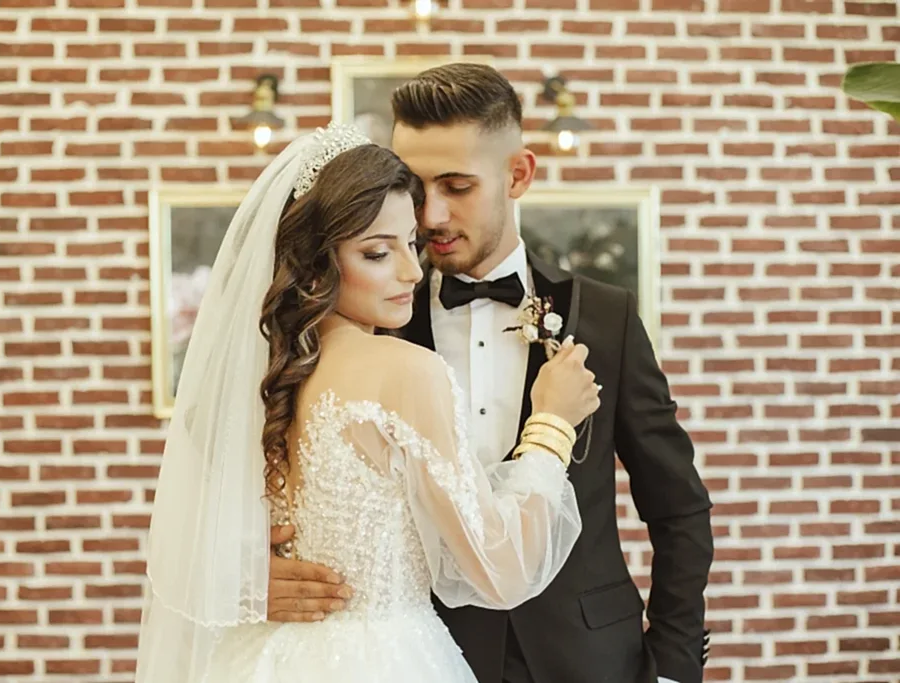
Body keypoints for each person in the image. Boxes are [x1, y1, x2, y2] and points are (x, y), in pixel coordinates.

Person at [266, 64, 715, 683]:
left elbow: (677, 504)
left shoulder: (604, 316)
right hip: (423, 656)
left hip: (590, 658)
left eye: (457, 186)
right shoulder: (373, 321)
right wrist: (253, 579)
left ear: (518, 175)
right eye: (415, 188)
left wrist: (674, 664)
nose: (431, 215)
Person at [134, 123, 599, 683]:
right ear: (314, 264)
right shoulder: (406, 371)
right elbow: (501, 571)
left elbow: (190, 537)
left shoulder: (262, 380)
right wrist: (551, 425)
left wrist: (243, 575)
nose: (411, 271)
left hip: (259, 659)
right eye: (377, 253)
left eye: (412, 243)